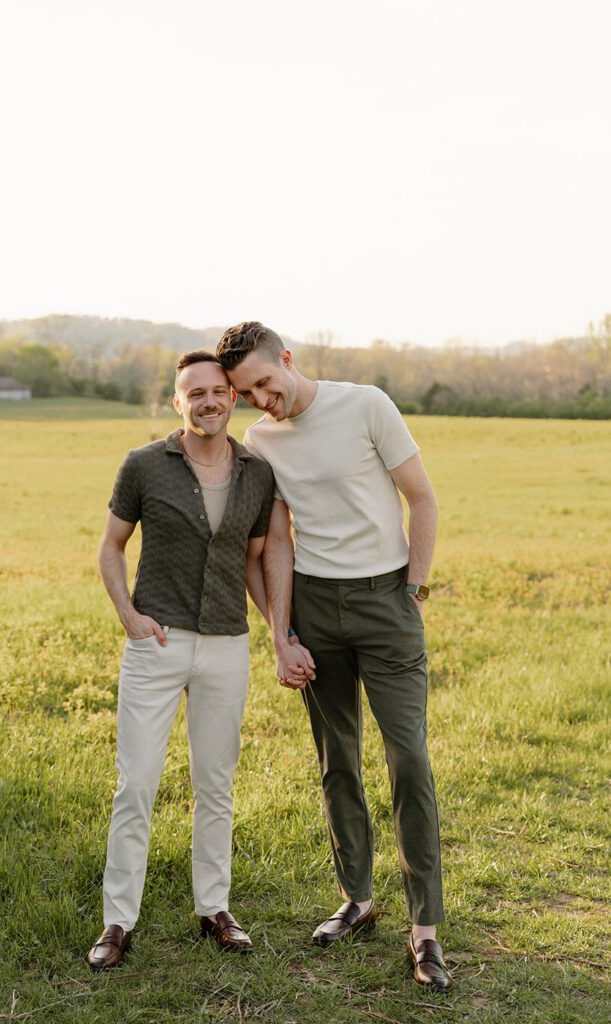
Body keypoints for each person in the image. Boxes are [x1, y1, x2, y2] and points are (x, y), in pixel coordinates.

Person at [216, 322, 452, 993]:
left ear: (286, 360)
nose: (260, 399)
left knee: (407, 755)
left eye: (264, 382)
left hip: (386, 603)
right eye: (245, 392)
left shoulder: (366, 404)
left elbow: (422, 499)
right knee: (335, 758)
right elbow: (277, 543)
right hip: (315, 610)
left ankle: (425, 928)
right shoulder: (261, 442)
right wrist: (282, 632)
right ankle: (356, 896)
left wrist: (415, 588)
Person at [87, 350, 275, 970]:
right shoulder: (143, 465)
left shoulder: (257, 471)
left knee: (215, 785)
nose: (208, 401)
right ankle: (118, 922)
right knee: (136, 784)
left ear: (233, 396)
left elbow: (254, 560)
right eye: (194, 393)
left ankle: (214, 909)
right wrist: (129, 617)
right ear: (178, 402)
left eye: (218, 390)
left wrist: (281, 630)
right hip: (156, 642)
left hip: (226, 643)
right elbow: (111, 548)